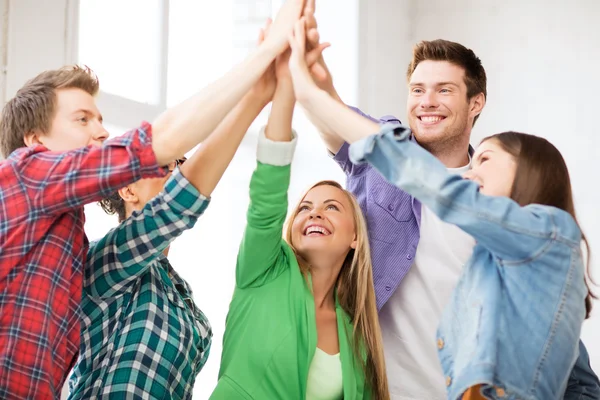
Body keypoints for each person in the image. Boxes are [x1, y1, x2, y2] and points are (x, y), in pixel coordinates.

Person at [0, 1, 305, 397]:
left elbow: (177, 202)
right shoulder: (24, 174)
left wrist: (258, 96)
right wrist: (262, 59)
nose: (101, 131)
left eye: (99, 119)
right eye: (82, 119)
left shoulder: (72, 254)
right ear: (35, 140)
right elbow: (162, 158)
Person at [298, 2, 600, 398]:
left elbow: (563, 358)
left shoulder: (509, 222)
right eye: (418, 90)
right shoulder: (387, 160)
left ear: (476, 103)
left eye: (444, 90)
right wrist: (314, 87)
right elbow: (339, 127)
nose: (426, 102)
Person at [209, 30, 388, 399]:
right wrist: (287, 86)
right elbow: (267, 196)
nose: (314, 214)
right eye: (305, 207)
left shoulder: (356, 335)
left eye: (332, 207)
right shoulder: (263, 271)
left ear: (355, 237)